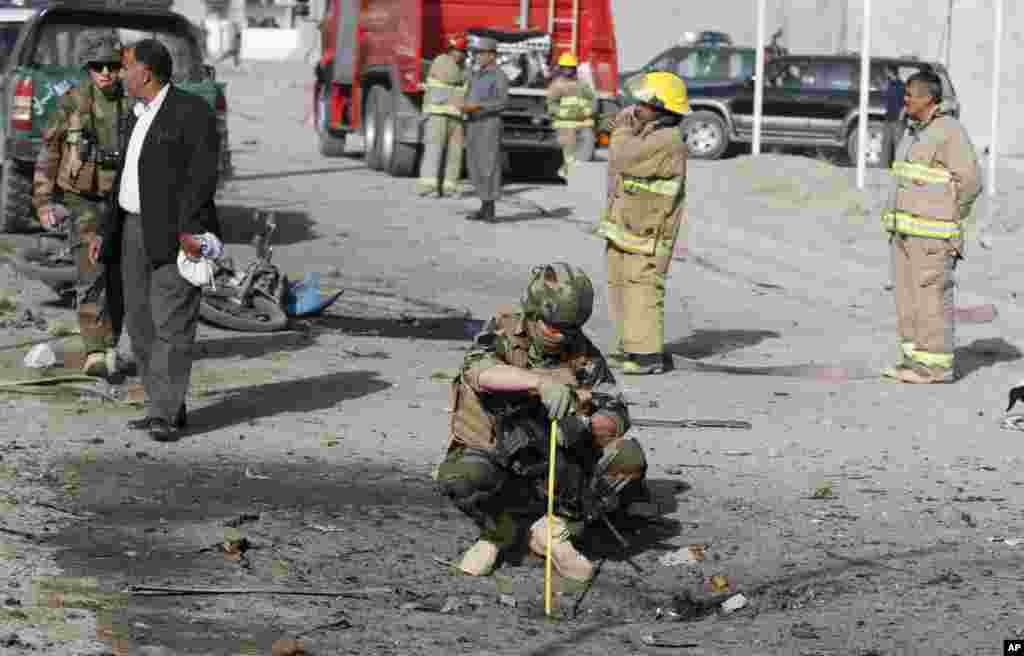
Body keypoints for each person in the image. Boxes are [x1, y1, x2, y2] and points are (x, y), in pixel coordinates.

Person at [435, 263, 644, 584]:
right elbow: (480, 372)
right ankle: (498, 534)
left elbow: (616, 413)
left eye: (570, 328)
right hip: (498, 459)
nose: (561, 335)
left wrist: (586, 423)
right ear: (532, 314)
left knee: (628, 457)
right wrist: (539, 384)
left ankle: (555, 531)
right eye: (553, 326)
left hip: (556, 470)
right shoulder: (503, 333)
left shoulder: (583, 355)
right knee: (460, 476)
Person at [93, 38, 222, 440]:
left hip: (175, 232)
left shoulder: (191, 112)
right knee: (141, 322)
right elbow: (122, 182)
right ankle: (160, 405)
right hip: (132, 229)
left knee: (173, 322)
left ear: (145, 72)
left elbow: (201, 179)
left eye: (125, 66)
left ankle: (165, 413)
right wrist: (105, 230)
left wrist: (189, 232)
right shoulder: (134, 114)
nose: (118, 72)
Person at [33, 32, 130, 378]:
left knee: (121, 278)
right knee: (91, 275)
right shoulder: (71, 102)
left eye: (112, 66)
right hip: (83, 200)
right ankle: (94, 350)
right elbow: (49, 155)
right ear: (88, 68)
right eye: (98, 66)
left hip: (123, 203)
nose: (105, 72)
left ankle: (112, 344)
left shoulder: (133, 103)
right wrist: (44, 201)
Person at [880, 70, 981, 384]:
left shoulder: (949, 131)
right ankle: (915, 361)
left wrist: (950, 213)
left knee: (932, 300)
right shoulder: (912, 131)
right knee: (909, 300)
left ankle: (936, 367)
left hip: (933, 239)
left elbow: (971, 182)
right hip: (904, 235)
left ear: (928, 98)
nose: (905, 99)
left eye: (910, 94)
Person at [596, 72, 690, 375]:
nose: (636, 107)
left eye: (642, 104)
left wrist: (622, 127)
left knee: (643, 288)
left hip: (650, 232)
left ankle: (648, 356)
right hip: (629, 226)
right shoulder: (648, 132)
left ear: (661, 109)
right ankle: (630, 346)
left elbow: (622, 156)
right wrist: (628, 125)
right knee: (621, 284)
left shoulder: (666, 139)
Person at [463, 36, 508, 223]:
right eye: (477, 53)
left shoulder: (498, 75)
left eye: (481, 53)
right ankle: (483, 204)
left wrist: (479, 107)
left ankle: (490, 209)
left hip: (489, 124)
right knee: (475, 164)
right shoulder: (476, 74)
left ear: (492, 55)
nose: (478, 57)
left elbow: (503, 102)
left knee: (489, 165)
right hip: (473, 123)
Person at [417, 34, 468, 197]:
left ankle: (449, 187)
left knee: (455, 154)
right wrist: (468, 74)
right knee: (434, 151)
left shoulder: (463, 67)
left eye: (463, 51)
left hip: (456, 116)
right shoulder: (442, 61)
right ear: (450, 50)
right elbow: (452, 77)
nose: (460, 54)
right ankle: (428, 187)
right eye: (458, 51)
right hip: (438, 114)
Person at [545, 52, 596, 180]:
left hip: (583, 123)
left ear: (574, 68)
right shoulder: (556, 86)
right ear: (561, 69)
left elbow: (592, 100)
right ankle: (570, 174)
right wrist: (565, 114)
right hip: (565, 125)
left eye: (570, 67)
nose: (568, 70)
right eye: (565, 67)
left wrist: (587, 111)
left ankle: (575, 173)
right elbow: (551, 105)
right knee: (569, 153)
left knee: (586, 152)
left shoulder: (582, 85)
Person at [882, 66, 906, 168]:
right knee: (886, 144)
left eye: (887, 72)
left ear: (891, 72)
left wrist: (901, 117)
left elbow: (906, 103)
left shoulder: (902, 86)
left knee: (897, 145)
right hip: (888, 118)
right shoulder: (889, 84)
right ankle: (884, 168)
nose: (885, 74)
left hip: (897, 120)